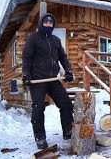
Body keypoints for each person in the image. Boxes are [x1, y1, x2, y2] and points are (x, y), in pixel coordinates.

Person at [22, 13, 74, 149]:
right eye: (46, 22)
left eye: (51, 23)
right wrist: (26, 75)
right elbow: (27, 58)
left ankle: (68, 131)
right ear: (41, 23)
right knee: (38, 108)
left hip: (53, 79)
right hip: (37, 80)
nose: (48, 25)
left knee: (66, 104)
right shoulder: (33, 39)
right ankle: (40, 137)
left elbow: (63, 57)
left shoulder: (56, 40)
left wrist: (68, 71)